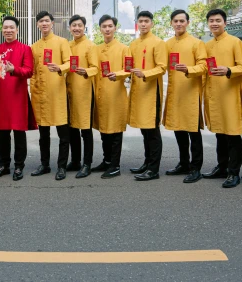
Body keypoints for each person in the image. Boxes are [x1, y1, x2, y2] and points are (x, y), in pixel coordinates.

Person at [201, 9, 242, 188]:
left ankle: (234, 172)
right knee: (220, 133)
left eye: (218, 20)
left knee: (233, 134)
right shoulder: (207, 45)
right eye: (211, 21)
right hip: (214, 94)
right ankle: (222, 167)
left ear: (225, 23)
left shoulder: (235, 42)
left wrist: (228, 70)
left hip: (230, 94)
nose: (214, 23)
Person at [163, 9, 207, 184]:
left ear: (188, 23)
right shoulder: (167, 44)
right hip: (174, 93)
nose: (179, 24)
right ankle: (183, 163)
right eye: (176, 21)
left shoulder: (197, 43)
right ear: (172, 23)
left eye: (182, 21)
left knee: (193, 132)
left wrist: (189, 69)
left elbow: (203, 66)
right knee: (179, 130)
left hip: (191, 93)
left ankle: (196, 168)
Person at [0, 16, 35, 181]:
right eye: (5, 27)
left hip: (18, 96)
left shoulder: (25, 49)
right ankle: (4, 165)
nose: (8, 30)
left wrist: (14, 69)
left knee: (18, 132)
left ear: (17, 29)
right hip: (1, 96)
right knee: (2, 133)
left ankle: (18, 166)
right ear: (2, 30)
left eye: (11, 27)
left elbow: (29, 71)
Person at [29, 11, 72, 180]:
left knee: (63, 134)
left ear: (52, 23)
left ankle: (61, 166)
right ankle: (44, 164)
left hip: (58, 94)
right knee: (43, 134)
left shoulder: (62, 42)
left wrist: (60, 68)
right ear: (38, 24)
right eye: (41, 21)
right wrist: (33, 89)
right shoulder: (35, 46)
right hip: (41, 95)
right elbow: (32, 71)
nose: (44, 24)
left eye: (47, 21)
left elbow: (69, 62)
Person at [128, 11, 168, 182]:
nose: (143, 24)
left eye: (146, 21)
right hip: (138, 91)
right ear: (137, 24)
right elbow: (128, 66)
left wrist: (144, 73)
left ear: (152, 23)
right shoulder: (134, 44)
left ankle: (154, 168)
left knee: (152, 131)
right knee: (144, 130)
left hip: (152, 92)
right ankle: (147, 162)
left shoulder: (158, 43)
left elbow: (162, 67)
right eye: (141, 21)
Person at [92, 14, 130, 179]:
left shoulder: (123, 48)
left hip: (115, 95)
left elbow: (128, 69)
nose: (107, 29)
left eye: (110, 26)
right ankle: (107, 161)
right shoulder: (96, 49)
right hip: (100, 95)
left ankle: (115, 165)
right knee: (104, 131)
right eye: (104, 26)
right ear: (100, 29)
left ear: (115, 28)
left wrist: (119, 74)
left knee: (115, 132)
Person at [66, 15, 99, 179]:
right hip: (69, 91)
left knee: (85, 129)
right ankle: (75, 161)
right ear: (70, 28)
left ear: (84, 27)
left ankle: (87, 164)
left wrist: (85, 71)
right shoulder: (67, 45)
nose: (76, 28)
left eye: (79, 25)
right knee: (72, 129)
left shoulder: (90, 46)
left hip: (85, 91)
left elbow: (95, 68)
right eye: (73, 25)